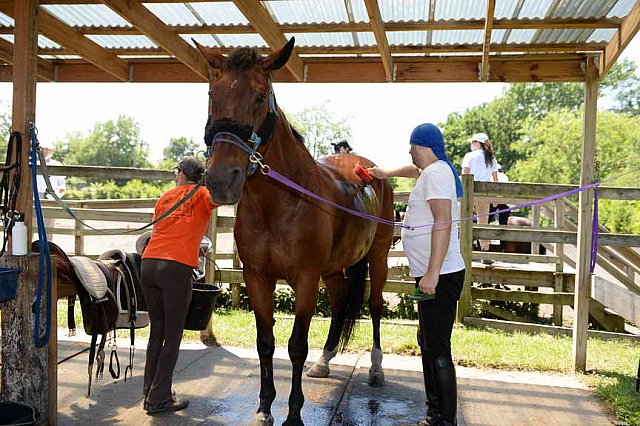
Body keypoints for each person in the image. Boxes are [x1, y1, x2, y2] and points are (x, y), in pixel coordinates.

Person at [368, 123, 465, 426]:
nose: (409, 152)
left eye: (411, 147)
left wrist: (432, 273)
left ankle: (443, 419)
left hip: (439, 275)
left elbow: (442, 223)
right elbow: (413, 170)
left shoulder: (436, 175)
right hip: (433, 272)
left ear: (422, 146)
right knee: (428, 340)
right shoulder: (435, 170)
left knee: (437, 347)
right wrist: (384, 173)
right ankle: (434, 413)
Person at [140, 157, 216, 416]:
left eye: (177, 173)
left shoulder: (166, 197)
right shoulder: (204, 194)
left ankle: (150, 389)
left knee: (157, 332)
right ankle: (159, 398)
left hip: (149, 263)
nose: (175, 176)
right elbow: (224, 195)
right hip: (176, 267)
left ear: (183, 174)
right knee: (172, 337)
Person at [461, 132, 498, 251]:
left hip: (469, 193)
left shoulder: (470, 156)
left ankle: (464, 251)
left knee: (464, 222)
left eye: (472, 142)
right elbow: (496, 180)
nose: (471, 145)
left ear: (477, 143)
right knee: (483, 224)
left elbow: (465, 174)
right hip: (484, 195)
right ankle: (485, 250)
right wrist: (495, 198)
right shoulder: (491, 159)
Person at [36, 140, 66, 239]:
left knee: (49, 227)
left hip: (51, 198)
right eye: (42, 149)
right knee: (31, 224)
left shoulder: (57, 164)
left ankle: (49, 249)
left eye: (47, 149)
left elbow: (62, 188)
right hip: (34, 197)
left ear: (51, 151)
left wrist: (56, 198)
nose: (44, 151)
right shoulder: (33, 163)